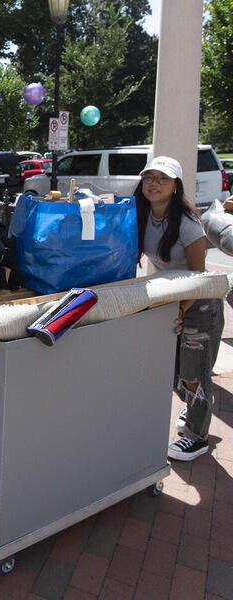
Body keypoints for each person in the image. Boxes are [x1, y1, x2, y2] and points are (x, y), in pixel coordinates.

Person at [136, 156, 223, 462]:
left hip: (199, 305)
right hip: (173, 301)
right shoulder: (142, 215)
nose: (154, 184)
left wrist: (182, 310)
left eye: (163, 179)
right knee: (173, 372)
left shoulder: (187, 222)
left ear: (175, 186)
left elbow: (198, 278)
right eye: (149, 177)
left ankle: (197, 438)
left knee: (193, 375)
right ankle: (196, 411)